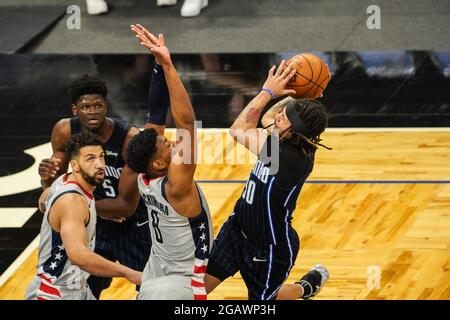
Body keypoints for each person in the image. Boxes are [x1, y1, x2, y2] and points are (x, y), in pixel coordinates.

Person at [203, 61, 330, 300]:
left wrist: (267, 92)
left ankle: (306, 287)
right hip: (237, 229)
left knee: (265, 301)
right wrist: (299, 95)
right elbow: (269, 116)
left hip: (269, 248)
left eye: (285, 118)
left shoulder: (286, 158)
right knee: (194, 291)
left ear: (294, 130)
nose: (277, 118)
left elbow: (239, 128)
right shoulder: (289, 138)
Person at [37, 74, 153, 298]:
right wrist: (45, 178)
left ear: (106, 106)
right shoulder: (64, 131)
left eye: (98, 105)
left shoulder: (128, 137)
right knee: (84, 287)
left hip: (132, 225)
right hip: (91, 225)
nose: (93, 111)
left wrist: (80, 208)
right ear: (74, 109)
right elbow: (54, 188)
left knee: (150, 283)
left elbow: (125, 207)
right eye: (86, 106)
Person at [127, 24, 213, 300]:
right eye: (167, 145)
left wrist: (158, 64)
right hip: (182, 282)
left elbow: (156, 111)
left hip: (156, 268)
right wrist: (169, 67)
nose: (173, 142)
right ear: (161, 165)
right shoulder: (177, 186)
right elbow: (186, 122)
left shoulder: (144, 177)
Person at [25, 132, 141, 300]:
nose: (100, 164)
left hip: (76, 289)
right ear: (75, 165)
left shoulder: (63, 181)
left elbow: (43, 201)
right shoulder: (72, 201)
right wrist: (128, 273)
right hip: (54, 293)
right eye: (90, 159)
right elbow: (78, 254)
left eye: (101, 156)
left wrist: (89, 213)